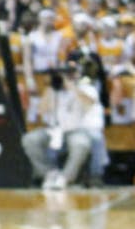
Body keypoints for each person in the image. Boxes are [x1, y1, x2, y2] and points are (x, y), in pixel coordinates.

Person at [22, 54, 106, 189]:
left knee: (81, 144)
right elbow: (42, 110)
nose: (66, 76)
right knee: (29, 139)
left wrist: (72, 87)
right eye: (65, 73)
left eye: (70, 73)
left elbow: (88, 105)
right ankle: (49, 174)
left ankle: (65, 178)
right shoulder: (55, 90)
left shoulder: (86, 88)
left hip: (77, 130)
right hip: (56, 130)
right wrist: (51, 86)